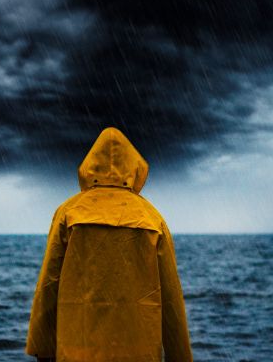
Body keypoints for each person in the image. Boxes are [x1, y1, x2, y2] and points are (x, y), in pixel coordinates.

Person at [25, 127, 193, 362]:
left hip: (78, 349)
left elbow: (48, 284)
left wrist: (41, 347)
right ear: (134, 168)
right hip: (138, 351)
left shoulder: (68, 213)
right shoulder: (152, 218)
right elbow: (171, 298)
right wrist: (180, 356)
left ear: (90, 166)